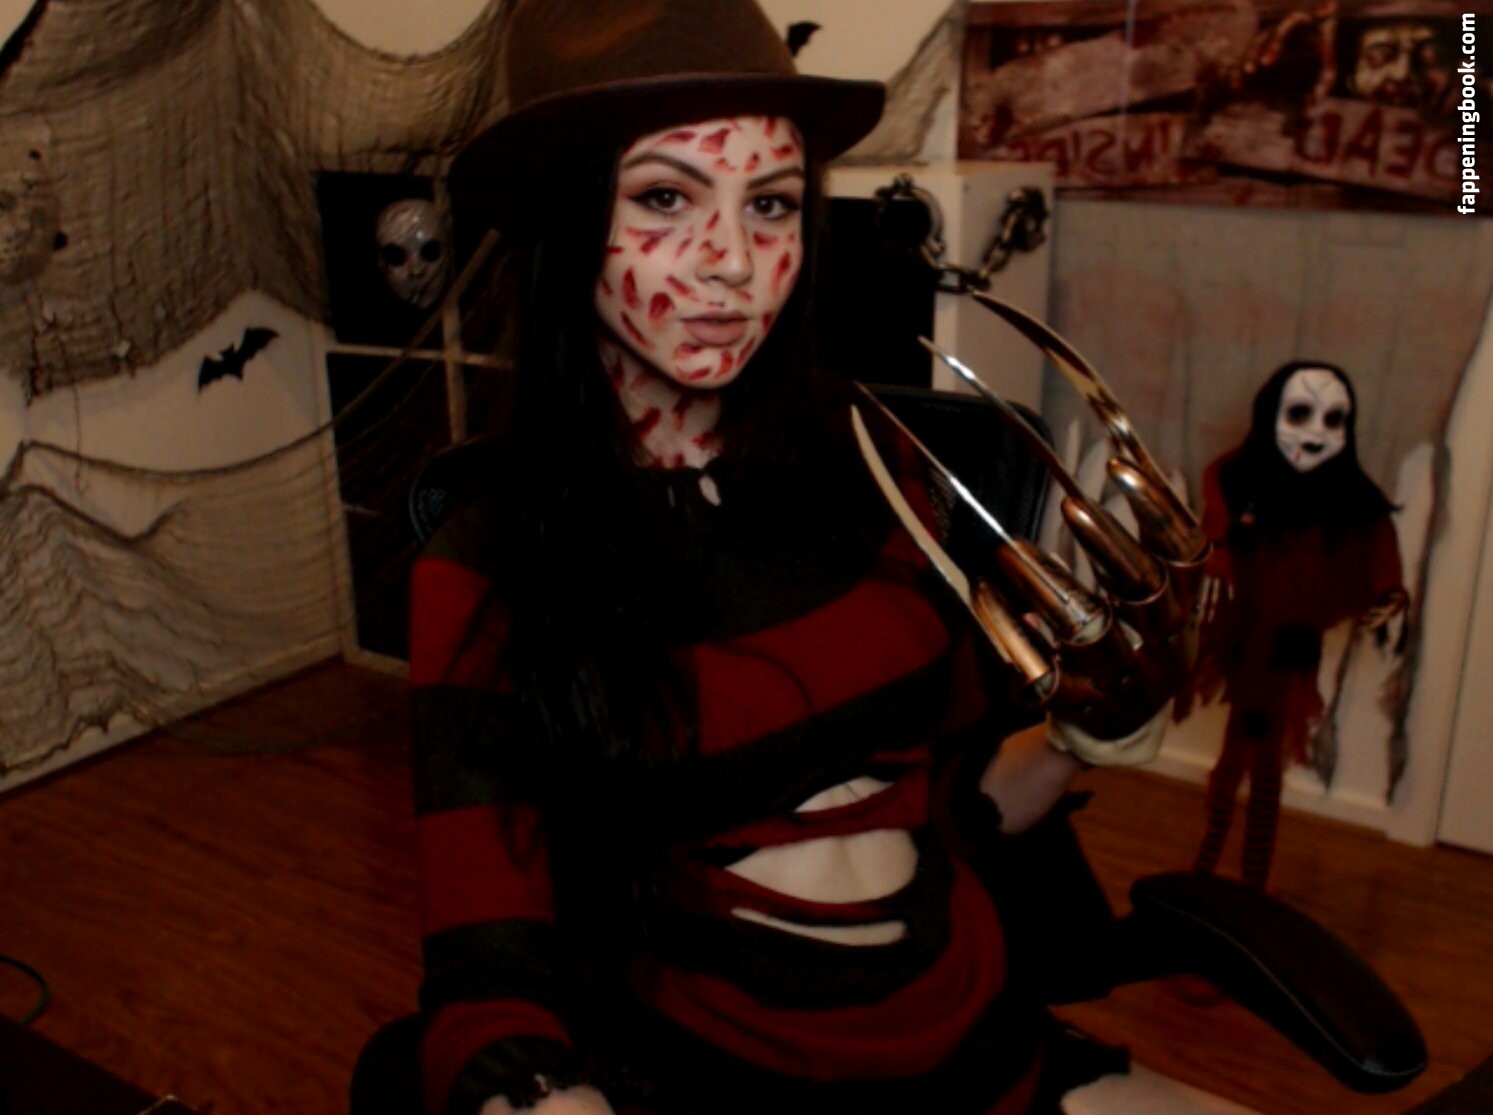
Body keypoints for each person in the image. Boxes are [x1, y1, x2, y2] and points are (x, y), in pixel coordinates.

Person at [372, 2, 1179, 1112]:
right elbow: (488, 982)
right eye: (665, 199)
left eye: (770, 204)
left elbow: (944, 801)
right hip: (719, 1072)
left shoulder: (869, 453)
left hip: (974, 1026)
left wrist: (1068, 741)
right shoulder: (487, 562)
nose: (734, 264)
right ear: (566, 219)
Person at [1185, 362, 1405, 890]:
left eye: (1333, 420)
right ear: (1271, 415)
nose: (1315, 433)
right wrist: (1216, 560)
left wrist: (1388, 592)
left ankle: (1243, 880)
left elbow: (1377, 544)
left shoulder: (1348, 497)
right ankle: (1211, 874)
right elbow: (1214, 538)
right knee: (1241, 753)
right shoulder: (1236, 479)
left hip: (1291, 642)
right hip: (1244, 635)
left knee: (1262, 762)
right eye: (1301, 414)